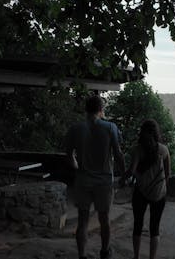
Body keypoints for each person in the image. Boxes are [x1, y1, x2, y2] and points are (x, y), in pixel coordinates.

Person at [66, 95, 125, 259]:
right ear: (101, 109)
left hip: (83, 180)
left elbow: (69, 155)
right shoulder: (110, 127)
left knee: (82, 221)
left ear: (86, 109)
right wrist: (125, 175)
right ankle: (105, 252)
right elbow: (119, 154)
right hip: (104, 182)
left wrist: (78, 168)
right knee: (104, 219)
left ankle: (82, 255)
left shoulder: (75, 129)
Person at [125, 119, 171, 259]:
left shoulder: (137, 149)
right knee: (154, 229)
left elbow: (132, 171)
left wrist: (123, 179)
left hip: (140, 192)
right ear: (156, 133)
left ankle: (136, 257)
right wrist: (161, 187)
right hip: (159, 193)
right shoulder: (164, 150)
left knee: (138, 225)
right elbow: (168, 173)